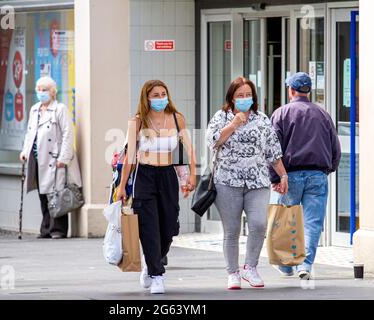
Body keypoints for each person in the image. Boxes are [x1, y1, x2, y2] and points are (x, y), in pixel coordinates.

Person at [206, 76, 288, 290]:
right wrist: (233, 124)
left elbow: (273, 150)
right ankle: (232, 273)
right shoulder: (221, 117)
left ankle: (250, 267)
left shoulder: (261, 118)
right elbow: (213, 142)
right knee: (231, 230)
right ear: (231, 98)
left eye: (248, 95)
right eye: (239, 95)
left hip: (257, 181)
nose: (244, 99)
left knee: (259, 224)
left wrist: (283, 175)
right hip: (227, 181)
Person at [115, 80, 197, 294]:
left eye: (163, 94)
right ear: (147, 98)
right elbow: (130, 156)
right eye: (156, 95)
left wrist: (188, 178)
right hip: (145, 175)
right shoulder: (138, 122)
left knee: (169, 227)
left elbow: (184, 152)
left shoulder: (177, 119)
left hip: (167, 175)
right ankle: (156, 274)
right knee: (149, 227)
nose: (161, 98)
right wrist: (122, 186)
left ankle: (151, 260)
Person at [269, 72, 341, 280]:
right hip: (317, 174)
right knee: (312, 223)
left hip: (288, 175)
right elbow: (335, 147)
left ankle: (286, 265)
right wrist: (328, 169)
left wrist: (275, 177)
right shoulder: (323, 114)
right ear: (308, 91)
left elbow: (273, 150)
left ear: (291, 90)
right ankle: (305, 265)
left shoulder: (281, 114)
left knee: (285, 220)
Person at [20, 76, 82, 239]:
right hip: (38, 158)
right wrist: (25, 151)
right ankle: (46, 228)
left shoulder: (60, 109)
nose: (41, 93)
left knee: (56, 193)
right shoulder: (34, 109)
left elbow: (69, 134)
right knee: (42, 192)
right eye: (39, 89)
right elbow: (30, 134)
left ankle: (58, 229)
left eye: (45, 89)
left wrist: (64, 157)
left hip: (55, 159)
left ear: (53, 92)